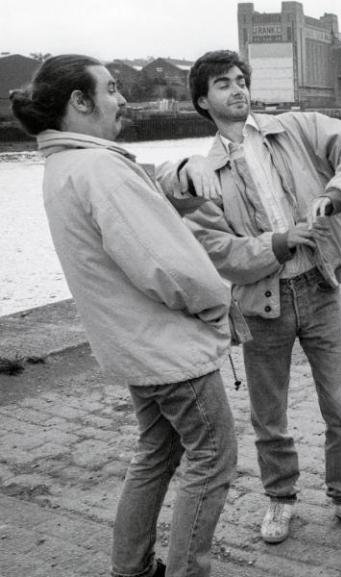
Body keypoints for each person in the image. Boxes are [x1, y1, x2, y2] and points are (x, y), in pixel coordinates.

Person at [11, 55, 237, 577]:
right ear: (80, 102)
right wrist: (217, 304)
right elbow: (166, 267)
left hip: (131, 346)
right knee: (213, 459)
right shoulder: (100, 168)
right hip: (168, 350)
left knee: (156, 453)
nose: (123, 98)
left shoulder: (65, 165)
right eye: (111, 89)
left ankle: (130, 569)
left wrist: (172, 185)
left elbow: (139, 229)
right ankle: (186, 571)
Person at [155, 50, 341, 543]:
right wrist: (275, 245)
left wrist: (338, 194)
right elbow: (218, 252)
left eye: (241, 80)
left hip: (320, 287)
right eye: (223, 84)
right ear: (202, 100)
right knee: (269, 415)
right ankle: (280, 500)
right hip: (262, 304)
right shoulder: (202, 172)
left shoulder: (296, 127)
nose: (238, 89)